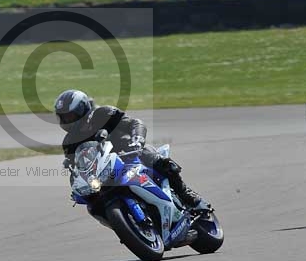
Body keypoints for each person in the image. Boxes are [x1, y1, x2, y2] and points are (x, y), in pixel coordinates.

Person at [54, 89, 209, 212]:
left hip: (130, 152)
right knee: (93, 204)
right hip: (105, 169)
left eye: (72, 116)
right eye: (65, 118)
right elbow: (76, 167)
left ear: (83, 109)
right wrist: (76, 183)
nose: (69, 121)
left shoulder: (104, 114)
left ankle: (185, 193)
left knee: (160, 162)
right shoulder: (69, 142)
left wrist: (137, 140)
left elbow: (135, 123)